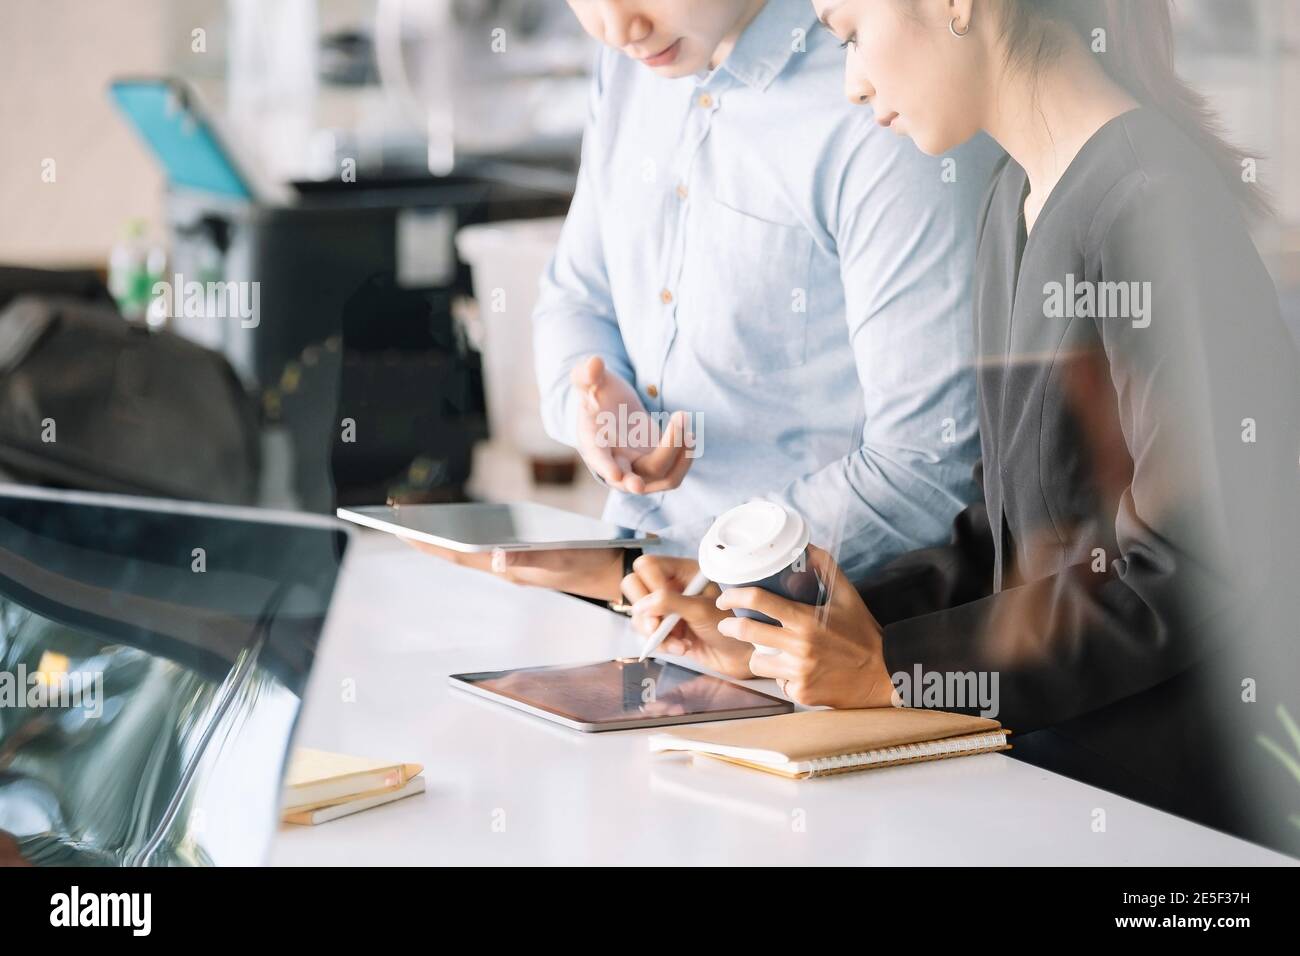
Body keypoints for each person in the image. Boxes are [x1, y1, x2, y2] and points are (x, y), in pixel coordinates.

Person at [627, 0, 1300, 844]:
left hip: (1171, 827)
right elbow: (1003, 542)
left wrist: (895, 671)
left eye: (850, 34)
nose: (852, 82)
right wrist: (782, 632)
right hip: (1039, 792)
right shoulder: (1012, 199)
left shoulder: (1151, 206)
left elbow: (1191, 571)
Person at [412, 0, 1003, 602]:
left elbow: (928, 466)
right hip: (643, 604)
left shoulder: (886, 92)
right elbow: (575, 296)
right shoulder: (627, 69)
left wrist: (674, 568)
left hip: (822, 637)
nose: (618, 29)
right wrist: (599, 414)